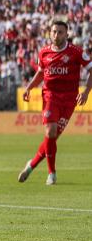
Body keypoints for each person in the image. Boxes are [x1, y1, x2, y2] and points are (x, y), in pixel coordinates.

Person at [18, 20, 91, 185]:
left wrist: (86, 92)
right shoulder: (43, 52)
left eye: (60, 32)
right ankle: (52, 173)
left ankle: (31, 165)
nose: (56, 35)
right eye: (53, 31)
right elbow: (41, 73)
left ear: (66, 34)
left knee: (52, 138)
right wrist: (29, 88)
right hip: (50, 96)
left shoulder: (76, 52)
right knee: (50, 132)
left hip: (69, 99)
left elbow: (91, 70)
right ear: (49, 33)